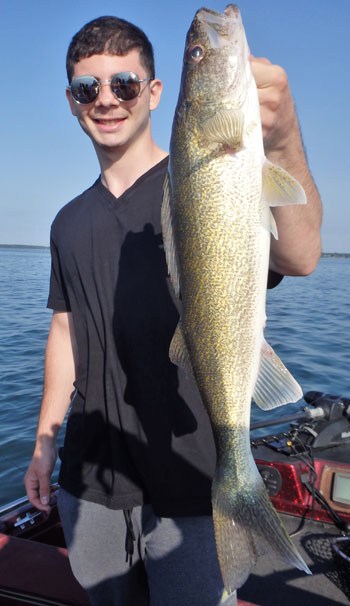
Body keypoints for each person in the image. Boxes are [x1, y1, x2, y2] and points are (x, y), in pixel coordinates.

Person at [24, 15, 322, 606]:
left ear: (156, 92)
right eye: (89, 89)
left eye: (125, 84)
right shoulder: (66, 222)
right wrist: (43, 441)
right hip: (90, 478)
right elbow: (66, 327)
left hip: (195, 475)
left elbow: (303, 254)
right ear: (72, 101)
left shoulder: (208, 177)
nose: (106, 100)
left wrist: (283, 137)